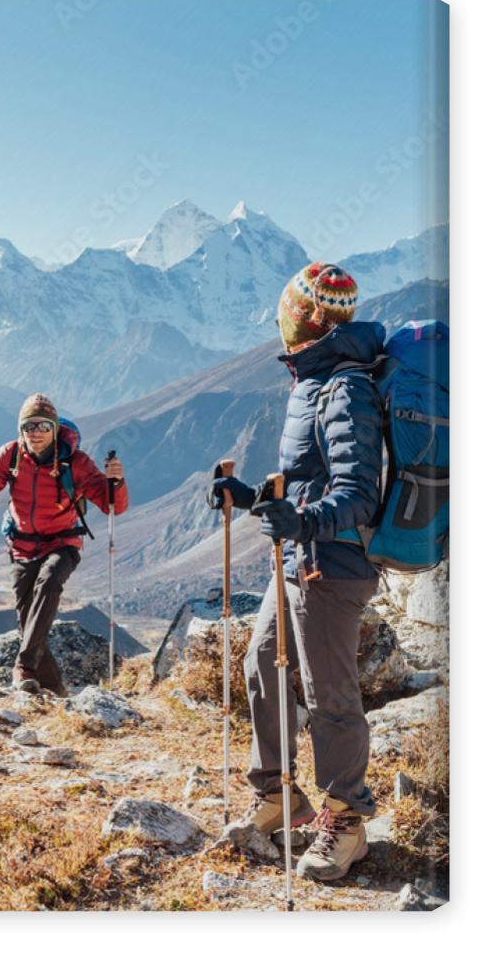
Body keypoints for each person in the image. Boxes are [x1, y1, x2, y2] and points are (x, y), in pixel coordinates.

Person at [206, 262, 384, 882]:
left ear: (303, 318)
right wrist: (250, 496)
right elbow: (306, 488)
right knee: (261, 662)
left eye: (286, 311)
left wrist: (303, 523)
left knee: (330, 694)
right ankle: (281, 795)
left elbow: (359, 495)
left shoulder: (346, 390)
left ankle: (348, 822)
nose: (279, 322)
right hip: (299, 559)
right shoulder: (311, 382)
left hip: (332, 568)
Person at [0, 393, 128, 696]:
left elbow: (111, 504)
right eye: (28, 426)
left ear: (54, 428)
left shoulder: (74, 462)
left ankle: (23, 666)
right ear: (20, 430)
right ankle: (53, 688)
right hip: (21, 546)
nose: (35, 433)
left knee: (49, 584)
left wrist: (116, 481)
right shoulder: (10, 455)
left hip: (63, 542)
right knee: (28, 621)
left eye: (42, 426)